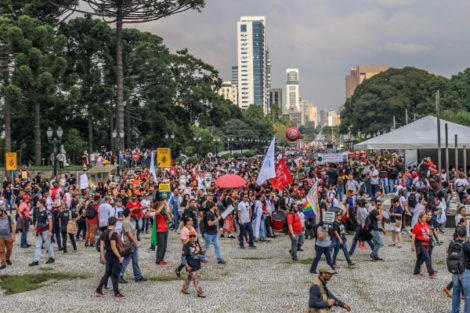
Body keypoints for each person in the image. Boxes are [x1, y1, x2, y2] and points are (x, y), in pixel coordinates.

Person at [95, 217, 125, 298]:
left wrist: (103, 256)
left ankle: (99, 289)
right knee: (115, 274)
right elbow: (113, 247)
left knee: (107, 273)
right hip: (113, 255)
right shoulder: (114, 234)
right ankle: (117, 293)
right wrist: (119, 257)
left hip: (107, 254)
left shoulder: (104, 232)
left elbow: (101, 245)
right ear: (115, 224)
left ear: (108, 223)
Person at [119, 208, 147, 283]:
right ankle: (120, 275)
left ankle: (138, 276)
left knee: (135, 260)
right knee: (126, 260)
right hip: (129, 244)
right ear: (129, 213)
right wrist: (136, 242)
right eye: (131, 212)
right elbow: (129, 234)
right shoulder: (126, 222)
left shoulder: (128, 222)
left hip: (132, 243)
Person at [449, 227, 470, 313]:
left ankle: (454, 311)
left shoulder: (452, 243)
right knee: (468, 295)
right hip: (465, 270)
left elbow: (449, 255)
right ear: (465, 234)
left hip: (454, 270)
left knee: (455, 293)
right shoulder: (467, 244)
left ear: (457, 234)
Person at [29, 199, 55, 266]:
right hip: (39, 230)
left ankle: (52, 257)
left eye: (38, 203)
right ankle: (36, 260)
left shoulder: (47, 211)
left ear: (42, 204)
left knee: (48, 244)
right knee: (38, 245)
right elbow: (37, 221)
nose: (36, 204)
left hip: (45, 230)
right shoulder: (37, 211)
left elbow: (50, 221)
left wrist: (50, 231)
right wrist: (34, 229)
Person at [411, 211, 436, 278]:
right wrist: (412, 245)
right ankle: (431, 272)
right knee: (427, 257)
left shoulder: (426, 224)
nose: (426, 218)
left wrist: (430, 233)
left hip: (426, 242)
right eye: (424, 217)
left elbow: (429, 234)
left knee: (421, 258)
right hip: (420, 243)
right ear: (421, 218)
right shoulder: (417, 225)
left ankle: (416, 271)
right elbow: (413, 235)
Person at [181, 230, 206, 298]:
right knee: (195, 278)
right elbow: (183, 257)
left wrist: (202, 251)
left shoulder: (197, 244)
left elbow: (198, 252)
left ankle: (184, 288)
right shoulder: (186, 246)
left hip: (196, 264)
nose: (192, 238)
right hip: (190, 265)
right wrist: (187, 265)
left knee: (189, 277)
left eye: (194, 236)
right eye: (191, 236)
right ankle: (200, 292)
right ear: (189, 237)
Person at [155, 200, 171, 265]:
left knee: (164, 246)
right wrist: (162, 205)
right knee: (160, 246)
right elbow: (157, 212)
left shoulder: (164, 214)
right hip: (160, 231)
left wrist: (166, 210)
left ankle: (161, 259)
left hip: (165, 230)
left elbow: (170, 219)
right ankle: (158, 260)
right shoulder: (157, 214)